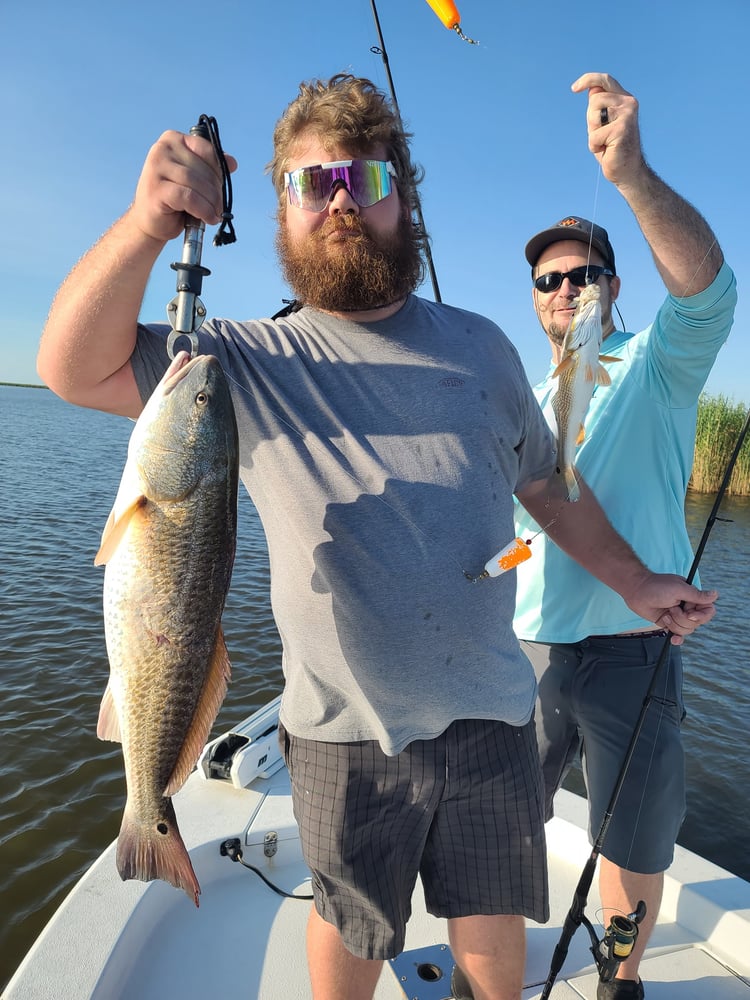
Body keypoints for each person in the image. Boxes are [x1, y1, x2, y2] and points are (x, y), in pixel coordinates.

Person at [37, 74, 717, 1000]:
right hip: (336, 725)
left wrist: (636, 584)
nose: (343, 203)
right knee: (350, 922)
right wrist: (145, 226)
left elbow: (550, 494)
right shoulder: (236, 361)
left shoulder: (482, 348)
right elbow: (74, 368)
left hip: (493, 713)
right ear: (278, 207)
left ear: (408, 199)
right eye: (314, 184)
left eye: (367, 181)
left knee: (491, 919)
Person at [514, 73, 736, 1000]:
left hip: (631, 650)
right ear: (534, 299)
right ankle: (491, 960)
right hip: (521, 646)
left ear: (612, 285)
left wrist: (632, 179)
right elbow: (521, 523)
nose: (565, 291)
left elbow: (710, 292)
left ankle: (619, 979)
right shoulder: (523, 397)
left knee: (633, 835)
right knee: (505, 815)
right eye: (547, 280)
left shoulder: (654, 364)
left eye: (582, 274)